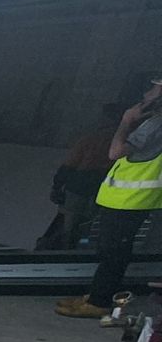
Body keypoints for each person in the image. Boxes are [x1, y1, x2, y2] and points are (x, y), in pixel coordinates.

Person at [58, 73, 162, 319]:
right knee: (110, 252)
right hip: (129, 199)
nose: (146, 94)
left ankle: (100, 301)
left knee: (113, 254)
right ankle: (96, 296)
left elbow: (115, 152)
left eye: (153, 90)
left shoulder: (155, 125)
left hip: (131, 200)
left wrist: (126, 121)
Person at [38, 103, 121, 252]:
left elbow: (69, 165)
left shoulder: (91, 138)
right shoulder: (124, 142)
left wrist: (57, 187)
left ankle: (63, 251)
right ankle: (77, 249)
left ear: (108, 118)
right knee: (88, 222)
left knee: (69, 222)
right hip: (104, 187)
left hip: (80, 185)